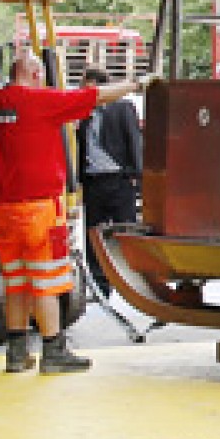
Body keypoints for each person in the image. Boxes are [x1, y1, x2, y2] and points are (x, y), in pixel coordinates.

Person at [0, 48, 144, 372]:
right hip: (40, 210)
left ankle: (16, 353)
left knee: (15, 283)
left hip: (2, 210)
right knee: (46, 283)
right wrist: (135, 84)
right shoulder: (41, 102)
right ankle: (53, 350)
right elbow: (96, 95)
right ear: (34, 74)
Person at [77, 63, 143, 286]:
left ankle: (134, 279)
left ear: (95, 86)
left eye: (84, 86)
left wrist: (137, 174)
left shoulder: (122, 108)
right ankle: (99, 280)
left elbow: (134, 140)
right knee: (93, 233)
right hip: (94, 181)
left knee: (126, 231)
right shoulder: (84, 113)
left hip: (119, 179)